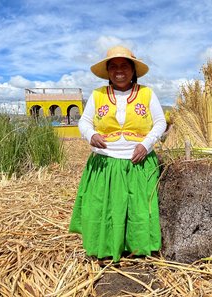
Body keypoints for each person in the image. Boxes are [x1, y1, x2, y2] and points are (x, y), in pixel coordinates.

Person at [69, 45, 166, 263]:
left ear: (133, 70)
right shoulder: (98, 95)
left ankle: (138, 247)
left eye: (124, 66)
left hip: (138, 161)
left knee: (138, 208)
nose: (119, 70)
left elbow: (160, 122)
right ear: (108, 71)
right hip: (106, 162)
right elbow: (84, 121)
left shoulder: (147, 93)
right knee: (105, 208)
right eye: (113, 66)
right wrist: (91, 134)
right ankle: (105, 245)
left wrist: (146, 144)